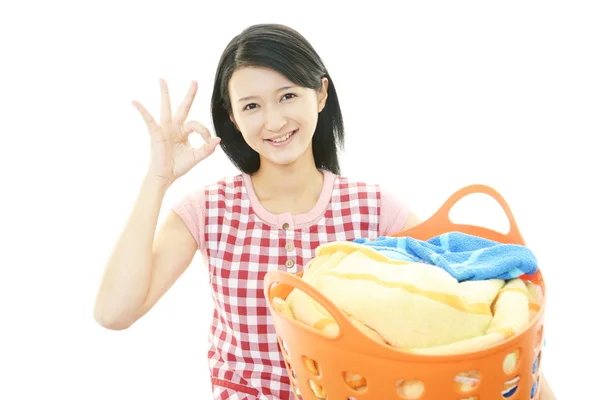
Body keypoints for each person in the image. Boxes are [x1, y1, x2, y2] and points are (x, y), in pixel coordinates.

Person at [93, 23, 554, 400]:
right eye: (251, 105)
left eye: (287, 95)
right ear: (234, 119)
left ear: (320, 94)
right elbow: (115, 312)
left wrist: (539, 386)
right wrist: (158, 180)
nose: (273, 121)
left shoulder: (375, 209)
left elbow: (465, 305)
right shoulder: (207, 211)